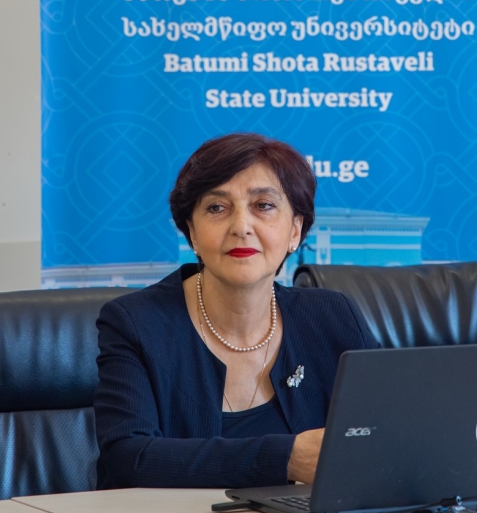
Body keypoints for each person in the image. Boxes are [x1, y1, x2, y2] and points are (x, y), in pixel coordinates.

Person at [94, 133, 378, 489]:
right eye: (217, 208)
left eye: (264, 205)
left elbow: (388, 435)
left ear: (295, 231)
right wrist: (285, 459)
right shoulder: (136, 324)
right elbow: (128, 458)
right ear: (192, 233)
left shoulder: (333, 317)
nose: (241, 226)